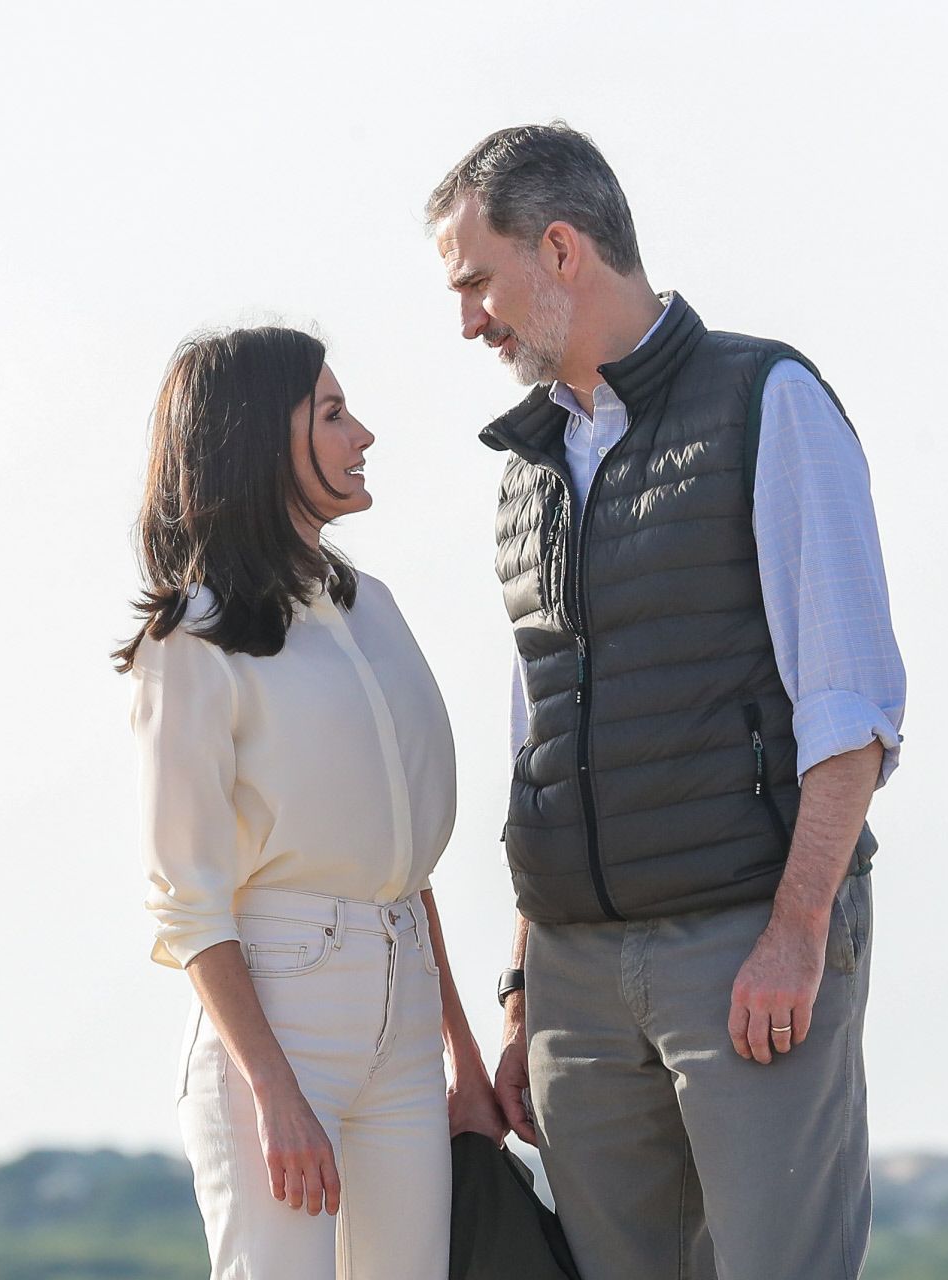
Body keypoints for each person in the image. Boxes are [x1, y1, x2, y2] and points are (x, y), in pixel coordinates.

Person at [425, 124, 907, 1279]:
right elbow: (537, 750)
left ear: (559, 247)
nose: (468, 321)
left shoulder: (767, 398)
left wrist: (795, 934)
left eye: (477, 281)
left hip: (746, 943)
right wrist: (520, 992)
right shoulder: (528, 470)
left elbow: (854, 706)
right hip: (577, 983)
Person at [115, 327, 503, 1279]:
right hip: (280, 1016)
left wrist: (459, 1050)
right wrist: (273, 1089)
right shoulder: (191, 639)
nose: (362, 433)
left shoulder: (372, 607)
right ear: (257, 441)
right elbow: (187, 898)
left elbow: (403, 865)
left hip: (405, 1013)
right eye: (332, 415)